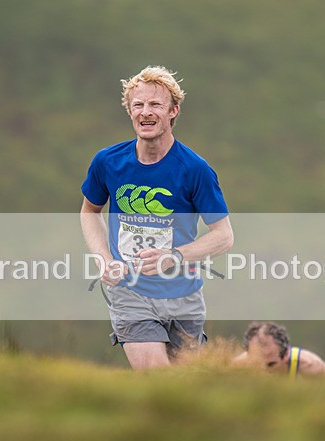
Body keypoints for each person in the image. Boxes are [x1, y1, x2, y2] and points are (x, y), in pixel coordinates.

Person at [81, 66, 233, 370]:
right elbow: (89, 211)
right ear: (129, 111)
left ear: (173, 111)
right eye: (138, 105)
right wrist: (103, 258)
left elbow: (224, 236)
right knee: (158, 377)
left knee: (184, 390)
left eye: (155, 105)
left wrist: (173, 257)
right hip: (129, 291)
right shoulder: (108, 162)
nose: (145, 112)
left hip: (185, 297)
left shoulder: (194, 169)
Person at [233, 321, 325, 380]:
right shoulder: (236, 368)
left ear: (286, 355)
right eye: (256, 364)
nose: (264, 371)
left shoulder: (311, 367)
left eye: (271, 364)